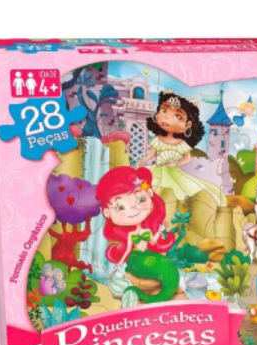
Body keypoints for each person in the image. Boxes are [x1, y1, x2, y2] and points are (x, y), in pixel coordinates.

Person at [96, 166, 179, 306]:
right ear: (107, 212)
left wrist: (160, 231)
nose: (133, 209)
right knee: (162, 268)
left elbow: (153, 242)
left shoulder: (147, 231)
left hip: (148, 255)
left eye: (140, 199)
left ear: (150, 193)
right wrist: (119, 264)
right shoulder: (131, 234)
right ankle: (136, 293)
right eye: (120, 207)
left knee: (169, 267)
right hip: (135, 258)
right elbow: (128, 250)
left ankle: (156, 293)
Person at [137, 91, 227, 206]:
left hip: (174, 173)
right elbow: (151, 155)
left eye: (178, 116)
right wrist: (142, 162)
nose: (166, 117)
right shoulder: (158, 139)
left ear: (188, 125)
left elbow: (187, 158)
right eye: (163, 110)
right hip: (157, 170)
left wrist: (176, 163)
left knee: (178, 193)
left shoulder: (181, 143)